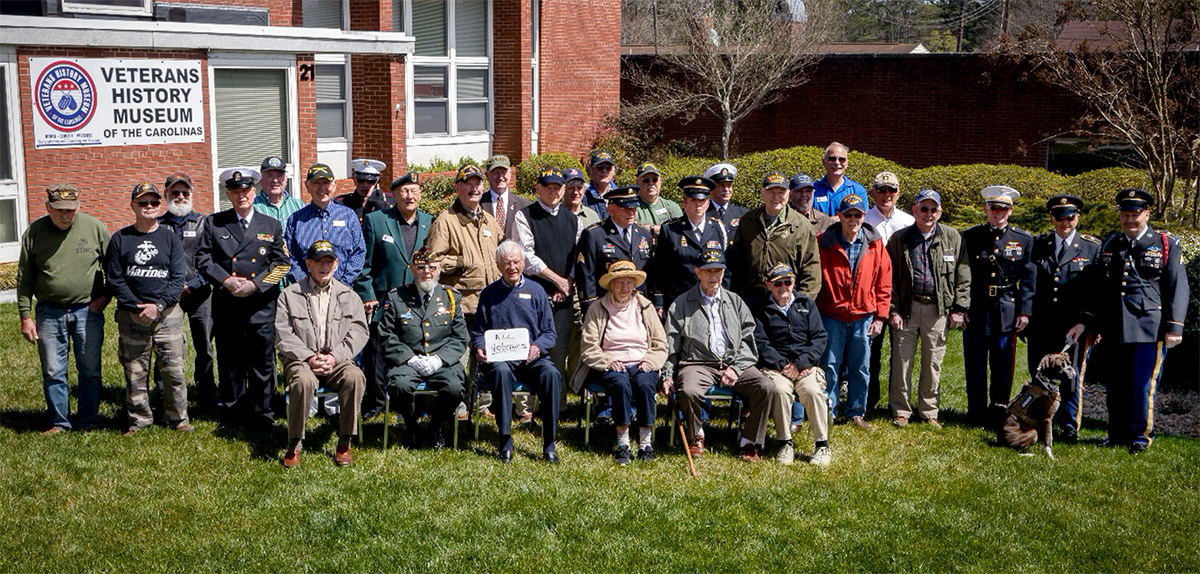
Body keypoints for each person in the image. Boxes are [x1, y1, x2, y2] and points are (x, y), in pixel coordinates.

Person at [1067, 188, 1188, 454]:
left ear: (1146, 213)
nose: (1129, 220)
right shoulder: (1111, 244)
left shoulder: (1165, 244)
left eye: (1135, 215)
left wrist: (1175, 325)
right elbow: (1100, 288)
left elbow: (1178, 286)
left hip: (1148, 326)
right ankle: (1116, 433)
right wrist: (1090, 321)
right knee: (1117, 384)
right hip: (1115, 326)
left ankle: (1140, 437)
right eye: (1124, 215)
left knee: (1143, 385)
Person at [661, 249, 781, 462]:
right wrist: (667, 374)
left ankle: (749, 441)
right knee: (688, 391)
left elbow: (748, 341)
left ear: (724, 272)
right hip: (697, 363)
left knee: (767, 387)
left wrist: (736, 367)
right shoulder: (681, 304)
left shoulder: (735, 301)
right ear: (698, 272)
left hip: (733, 361)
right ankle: (696, 435)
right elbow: (671, 345)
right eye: (708, 271)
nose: (714, 276)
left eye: (718, 270)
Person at [196, 167, 290, 427]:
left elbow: (282, 265)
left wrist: (257, 285)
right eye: (235, 191)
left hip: (260, 306)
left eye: (246, 190)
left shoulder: (270, 224)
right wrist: (225, 280)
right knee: (230, 362)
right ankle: (232, 412)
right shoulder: (214, 222)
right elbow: (202, 259)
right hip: (228, 305)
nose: (242, 196)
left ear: (254, 191)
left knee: (263, 363)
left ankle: (263, 413)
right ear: (228, 194)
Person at [16, 184, 109, 434]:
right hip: (49, 311)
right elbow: (25, 277)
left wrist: (105, 298)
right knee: (53, 370)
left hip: (87, 311)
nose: (66, 215)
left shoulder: (94, 227)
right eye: (59, 210)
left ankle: (88, 419)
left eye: (71, 210)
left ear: (78, 207)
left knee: (89, 369)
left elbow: (113, 267)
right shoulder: (35, 232)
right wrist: (26, 316)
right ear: (48, 208)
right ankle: (59, 422)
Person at [276, 240, 368, 468]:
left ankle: (344, 442)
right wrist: (308, 357)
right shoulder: (289, 295)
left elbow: (359, 331)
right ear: (308, 264)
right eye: (319, 261)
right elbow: (283, 334)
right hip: (302, 360)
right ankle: (294, 443)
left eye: (329, 261)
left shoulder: (350, 295)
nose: (324, 266)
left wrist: (335, 356)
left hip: (337, 359)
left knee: (355, 377)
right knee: (303, 382)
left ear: (336, 264)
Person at [426, 164, 507, 418]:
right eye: (467, 183)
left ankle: (482, 406)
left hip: (489, 305)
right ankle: (457, 409)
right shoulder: (446, 221)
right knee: (459, 361)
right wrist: (461, 262)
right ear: (457, 188)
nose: (474, 188)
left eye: (477, 183)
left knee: (485, 360)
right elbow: (432, 263)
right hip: (460, 306)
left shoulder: (490, 221)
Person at [106, 182, 188, 434]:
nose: (149, 207)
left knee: (174, 370)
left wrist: (159, 306)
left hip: (168, 314)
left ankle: (178, 419)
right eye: (143, 203)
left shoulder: (170, 238)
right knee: (135, 371)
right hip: (133, 316)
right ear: (133, 206)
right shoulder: (120, 239)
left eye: (154, 202)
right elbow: (114, 278)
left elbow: (177, 278)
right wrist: (136, 306)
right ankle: (139, 420)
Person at [472, 241, 564, 464]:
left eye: (516, 262)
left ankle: (549, 442)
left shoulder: (536, 291)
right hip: (502, 359)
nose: (511, 267)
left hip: (532, 358)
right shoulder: (489, 294)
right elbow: (478, 332)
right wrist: (480, 348)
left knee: (552, 375)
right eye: (506, 263)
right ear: (498, 266)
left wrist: (538, 346)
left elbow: (550, 332)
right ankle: (505, 440)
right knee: (501, 372)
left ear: (523, 263)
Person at [886, 189, 969, 429]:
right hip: (907, 308)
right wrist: (893, 309)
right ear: (914, 210)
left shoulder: (953, 238)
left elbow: (963, 276)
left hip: (937, 309)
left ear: (940, 212)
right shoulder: (900, 238)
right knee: (902, 362)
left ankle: (929, 410)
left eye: (934, 209)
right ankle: (901, 410)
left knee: (933, 362)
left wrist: (959, 308)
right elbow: (889, 278)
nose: (929, 214)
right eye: (924, 208)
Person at [573, 260, 668, 465]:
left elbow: (661, 342)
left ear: (634, 284)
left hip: (642, 360)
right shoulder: (597, 308)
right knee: (621, 384)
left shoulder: (646, 306)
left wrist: (650, 360)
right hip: (610, 361)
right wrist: (607, 360)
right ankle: (623, 442)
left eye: (628, 283)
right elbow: (588, 347)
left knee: (644, 384)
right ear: (611, 284)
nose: (624, 288)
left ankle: (645, 443)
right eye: (619, 283)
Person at [356, 171, 433, 420]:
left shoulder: (430, 223)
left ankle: (414, 402)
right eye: (404, 191)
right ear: (395, 194)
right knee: (377, 353)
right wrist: (368, 295)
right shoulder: (377, 220)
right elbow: (364, 265)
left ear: (420, 194)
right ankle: (376, 401)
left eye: (413, 190)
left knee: (415, 351)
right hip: (383, 300)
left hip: (416, 302)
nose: (409, 196)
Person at [378, 248, 468, 448]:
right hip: (408, 362)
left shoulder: (451, 298)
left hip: (442, 362)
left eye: (432, 267)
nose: (427, 271)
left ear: (439, 270)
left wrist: (439, 360)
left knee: (455, 389)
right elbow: (386, 335)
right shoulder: (397, 298)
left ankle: (435, 427)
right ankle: (410, 427)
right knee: (400, 387)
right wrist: (410, 359)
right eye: (421, 267)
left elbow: (460, 337)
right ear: (412, 269)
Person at [816, 194, 892, 429]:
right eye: (847, 215)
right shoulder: (824, 241)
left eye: (857, 215)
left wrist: (880, 316)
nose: (852, 219)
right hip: (832, 314)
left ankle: (857, 412)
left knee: (860, 366)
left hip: (863, 315)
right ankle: (828, 409)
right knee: (829, 364)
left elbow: (884, 281)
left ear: (863, 216)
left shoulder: (874, 242)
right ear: (839, 216)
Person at [1027, 194, 1099, 442]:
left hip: (1073, 326)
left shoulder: (1092, 247)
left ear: (1077, 217)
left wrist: (1085, 321)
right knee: (1039, 374)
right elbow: (1029, 283)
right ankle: (1037, 420)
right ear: (1052, 218)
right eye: (1059, 217)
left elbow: (1094, 290)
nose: (1064, 222)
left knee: (1071, 376)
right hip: (1041, 323)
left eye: (1069, 217)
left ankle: (1069, 425)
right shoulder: (1037, 245)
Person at [962, 185, 1035, 427]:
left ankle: (999, 411)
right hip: (977, 307)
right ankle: (975, 413)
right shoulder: (971, 236)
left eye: (1003, 209)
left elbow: (1027, 278)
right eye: (994, 208)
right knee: (975, 363)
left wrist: (1024, 311)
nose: (998, 213)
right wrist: (960, 307)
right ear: (986, 209)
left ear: (1011, 210)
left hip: (1006, 308)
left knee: (1003, 365)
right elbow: (962, 274)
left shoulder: (1023, 239)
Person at [750, 263, 831, 465]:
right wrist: (782, 365)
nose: (784, 287)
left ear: (793, 282)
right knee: (779, 390)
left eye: (788, 282)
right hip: (777, 368)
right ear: (768, 285)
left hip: (806, 367)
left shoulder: (807, 304)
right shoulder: (761, 309)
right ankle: (785, 443)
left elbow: (820, 338)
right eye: (778, 283)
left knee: (812, 391)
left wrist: (802, 364)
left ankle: (822, 446)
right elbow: (760, 343)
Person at [157, 172, 216, 412]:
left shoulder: (204, 223)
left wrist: (192, 284)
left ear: (191, 194)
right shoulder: (158, 225)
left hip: (201, 293)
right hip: (168, 296)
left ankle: (206, 396)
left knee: (205, 347)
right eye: (175, 192)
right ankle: (163, 396)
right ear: (166, 195)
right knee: (165, 346)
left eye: (184, 192)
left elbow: (211, 260)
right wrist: (172, 288)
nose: (180, 196)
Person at [513, 167, 577, 375]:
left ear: (563, 189)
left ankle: (557, 406)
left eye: (557, 187)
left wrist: (568, 283)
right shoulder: (524, 216)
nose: (553, 191)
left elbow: (580, 256)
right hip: (532, 297)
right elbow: (526, 257)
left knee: (558, 353)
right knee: (530, 351)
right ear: (537, 188)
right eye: (548, 186)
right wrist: (558, 280)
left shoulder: (574, 219)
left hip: (564, 299)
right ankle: (527, 406)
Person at [863, 171, 914, 412]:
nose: (886, 195)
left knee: (901, 353)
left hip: (901, 295)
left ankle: (897, 404)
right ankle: (868, 401)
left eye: (891, 190)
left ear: (898, 193)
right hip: (871, 294)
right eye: (881, 189)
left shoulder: (908, 222)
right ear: (872, 192)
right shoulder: (863, 219)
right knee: (870, 351)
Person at [727, 171, 821, 302]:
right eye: (771, 191)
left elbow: (811, 269)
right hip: (752, 300)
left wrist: (801, 304)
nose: (776, 196)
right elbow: (736, 264)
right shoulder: (747, 221)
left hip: (786, 300)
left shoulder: (801, 225)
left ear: (788, 194)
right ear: (762, 193)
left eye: (781, 192)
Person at [649, 176, 731, 313]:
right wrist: (659, 301)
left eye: (702, 200)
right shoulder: (670, 230)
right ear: (684, 202)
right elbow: (660, 269)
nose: (698, 205)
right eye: (693, 200)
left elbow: (726, 268)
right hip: (679, 301)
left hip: (712, 299)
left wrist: (726, 297)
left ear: (708, 203)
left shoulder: (719, 228)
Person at [576, 185, 656, 315]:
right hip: (606, 305)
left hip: (638, 304)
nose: (631, 212)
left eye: (634, 208)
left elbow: (650, 271)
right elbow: (586, 275)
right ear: (611, 209)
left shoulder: (643, 233)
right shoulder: (595, 234)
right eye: (625, 208)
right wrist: (590, 307)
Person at [284, 163, 365, 287]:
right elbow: (290, 257)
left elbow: (359, 252)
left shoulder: (348, 216)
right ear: (307, 186)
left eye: (326, 183)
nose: (322, 188)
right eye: (317, 183)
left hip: (343, 291)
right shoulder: (296, 219)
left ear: (334, 186)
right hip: (305, 293)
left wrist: (342, 284)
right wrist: (306, 284)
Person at [480, 154, 532, 240]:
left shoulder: (525, 206)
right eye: (496, 173)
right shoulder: (478, 205)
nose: (500, 177)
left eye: (503, 172)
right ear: (487, 175)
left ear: (510, 174)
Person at [811, 142, 870, 216]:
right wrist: (830, 221)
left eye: (842, 159)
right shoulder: (813, 190)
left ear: (847, 163)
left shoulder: (858, 190)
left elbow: (862, 219)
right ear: (824, 162)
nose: (837, 162)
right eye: (832, 159)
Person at [633, 162, 682, 237]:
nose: (651, 183)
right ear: (637, 182)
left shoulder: (672, 207)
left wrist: (663, 230)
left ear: (660, 181)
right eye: (646, 180)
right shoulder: (631, 208)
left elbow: (681, 235)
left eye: (654, 179)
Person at [335, 158, 392, 222]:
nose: (365, 185)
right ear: (354, 180)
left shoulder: (390, 201)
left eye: (370, 181)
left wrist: (381, 206)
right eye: (361, 180)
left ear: (377, 182)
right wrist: (363, 207)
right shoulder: (341, 204)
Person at [252, 155, 305, 224]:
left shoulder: (298, 205)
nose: (275, 180)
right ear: (261, 180)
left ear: (286, 179)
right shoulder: (253, 206)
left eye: (279, 175)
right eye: (270, 175)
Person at [703, 162, 748, 228]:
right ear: (711, 189)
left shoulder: (742, 213)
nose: (726, 189)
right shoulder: (702, 213)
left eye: (729, 185)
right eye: (722, 185)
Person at [582, 150, 617, 219]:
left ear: (613, 170)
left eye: (608, 168)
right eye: (600, 168)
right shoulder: (584, 196)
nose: (604, 171)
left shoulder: (619, 196)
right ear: (591, 170)